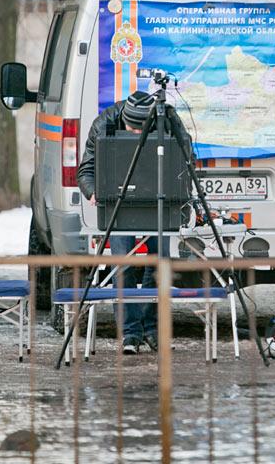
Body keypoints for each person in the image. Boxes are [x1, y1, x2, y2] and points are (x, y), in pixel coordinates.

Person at [76, 90, 193, 355]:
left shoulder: (168, 118)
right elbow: (86, 169)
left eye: (141, 131)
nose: (135, 135)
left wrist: (180, 191)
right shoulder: (103, 123)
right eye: (130, 129)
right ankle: (130, 332)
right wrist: (93, 191)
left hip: (158, 204)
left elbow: (187, 159)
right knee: (123, 265)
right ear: (123, 120)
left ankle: (153, 329)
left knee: (158, 263)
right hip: (118, 205)